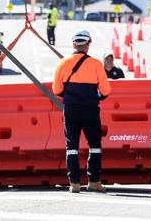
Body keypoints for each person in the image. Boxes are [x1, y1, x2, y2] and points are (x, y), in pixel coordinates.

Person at [52, 30, 111, 193]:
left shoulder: (63, 63)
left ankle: (75, 183)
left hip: (70, 109)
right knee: (94, 145)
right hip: (90, 109)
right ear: (88, 45)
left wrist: (70, 96)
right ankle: (94, 182)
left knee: (71, 146)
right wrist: (95, 97)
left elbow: (56, 89)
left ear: (73, 44)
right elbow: (106, 90)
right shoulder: (96, 64)